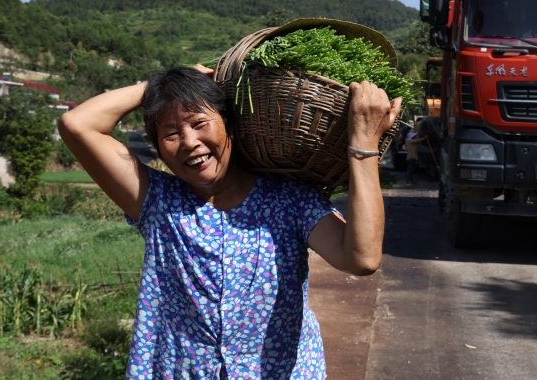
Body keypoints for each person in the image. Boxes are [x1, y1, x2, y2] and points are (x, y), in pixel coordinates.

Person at [58, 65, 401, 379]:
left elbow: (361, 258)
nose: (190, 142)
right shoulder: (157, 201)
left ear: (231, 127)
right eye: (170, 133)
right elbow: (77, 125)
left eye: (199, 123)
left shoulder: (290, 200)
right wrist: (161, 84)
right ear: (160, 148)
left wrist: (364, 143)